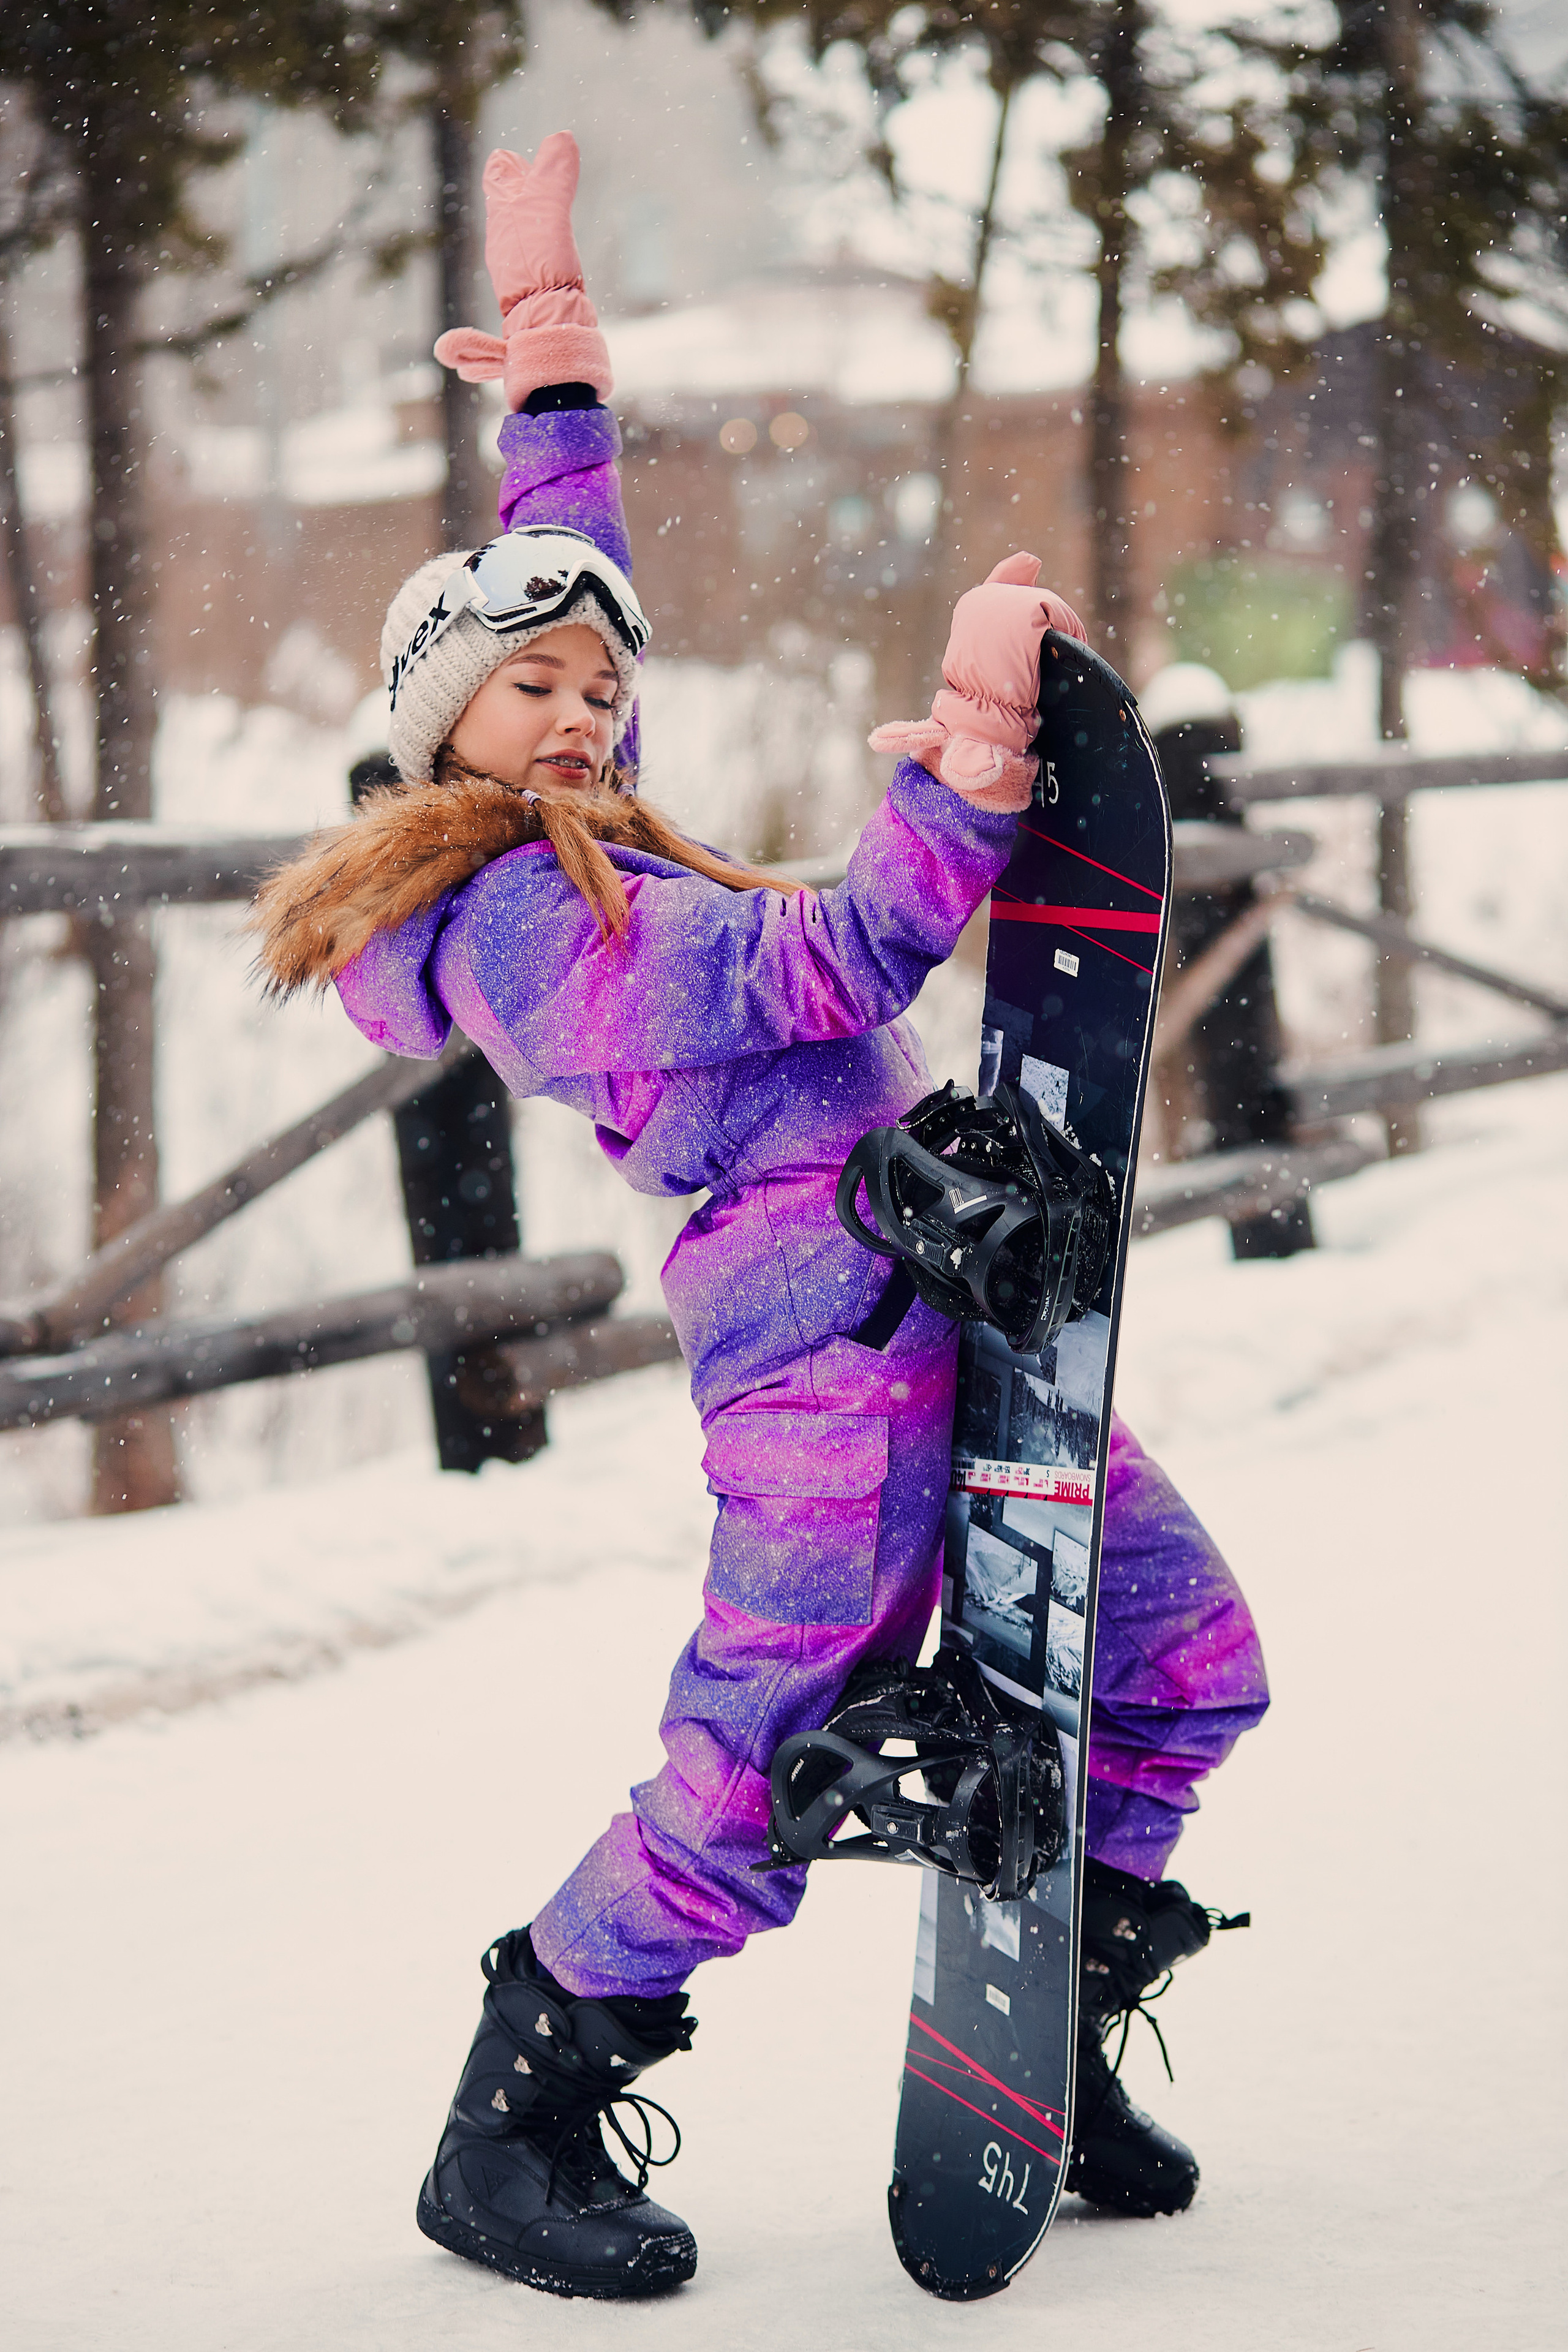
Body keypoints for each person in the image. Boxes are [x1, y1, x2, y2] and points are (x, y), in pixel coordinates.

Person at [254, 134, 1268, 2303]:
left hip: (967, 1314)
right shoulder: (522, 924)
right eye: (535, 694)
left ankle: (1057, 2052)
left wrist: (553, 358)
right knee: (756, 1774)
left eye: (604, 692)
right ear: (447, 730)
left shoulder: (601, 826)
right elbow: (826, 967)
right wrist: (974, 759)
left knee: (1182, 1663)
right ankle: (510, 2118)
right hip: (822, 1378)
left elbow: (567, 577)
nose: (590, 707)